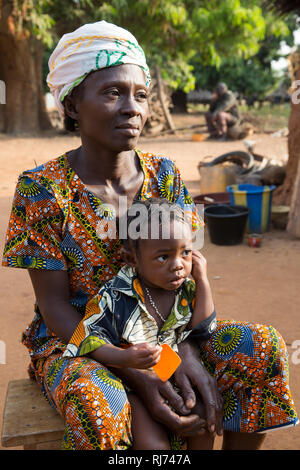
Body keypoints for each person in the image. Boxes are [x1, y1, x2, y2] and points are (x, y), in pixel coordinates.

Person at [2, 20, 298, 450]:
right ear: (70, 105)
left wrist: (184, 356)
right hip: (82, 344)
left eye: (140, 94)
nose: (132, 108)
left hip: (168, 333)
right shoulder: (42, 189)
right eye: (111, 93)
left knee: (261, 346)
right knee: (98, 400)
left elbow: (187, 277)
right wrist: (138, 371)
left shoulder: (165, 175)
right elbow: (54, 306)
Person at [63, 198, 217, 450]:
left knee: (201, 419)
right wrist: (125, 358)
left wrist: (202, 279)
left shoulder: (186, 288)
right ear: (131, 259)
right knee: (152, 444)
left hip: (176, 378)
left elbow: (203, 328)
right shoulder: (114, 296)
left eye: (185, 252)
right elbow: (88, 339)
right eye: (163, 257)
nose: (178, 265)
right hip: (133, 385)